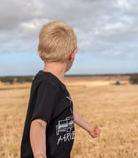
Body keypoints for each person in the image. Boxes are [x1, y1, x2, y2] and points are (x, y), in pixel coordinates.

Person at [21, 21, 100, 158]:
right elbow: (38, 123)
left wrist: (87, 126)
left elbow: (66, 109)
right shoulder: (48, 85)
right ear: (73, 54)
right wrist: (40, 154)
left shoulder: (53, 84)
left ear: (39, 52)